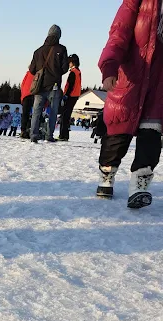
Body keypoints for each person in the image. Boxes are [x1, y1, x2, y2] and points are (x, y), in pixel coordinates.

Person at [96, 0, 163, 208]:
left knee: (151, 135)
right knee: (118, 132)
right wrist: (109, 65)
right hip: (131, 78)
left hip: (159, 83)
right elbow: (119, 34)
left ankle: (139, 186)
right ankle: (107, 174)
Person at [28, 25, 69, 143]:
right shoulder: (61, 49)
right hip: (54, 85)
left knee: (36, 111)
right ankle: (48, 135)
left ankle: (34, 134)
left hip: (39, 86)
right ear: (59, 35)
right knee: (53, 111)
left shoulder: (38, 51)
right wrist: (56, 73)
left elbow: (32, 70)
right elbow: (65, 68)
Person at [58, 54, 82, 141]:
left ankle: (63, 135)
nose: (68, 64)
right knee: (67, 116)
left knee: (64, 116)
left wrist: (66, 95)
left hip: (70, 96)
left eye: (69, 62)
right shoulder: (78, 71)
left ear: (72, 62)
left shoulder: (73, 72)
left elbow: (70, 85)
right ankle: (65, 135)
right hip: (75, 96)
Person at [20, 72, 35, 139]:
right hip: (35, 94)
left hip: (26, 95)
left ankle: (23, 130)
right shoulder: (40, 72)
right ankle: (31, 130)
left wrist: (22, 97)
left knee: (25, 114)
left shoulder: (28, 73)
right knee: (35, 114)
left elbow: (23, 84)